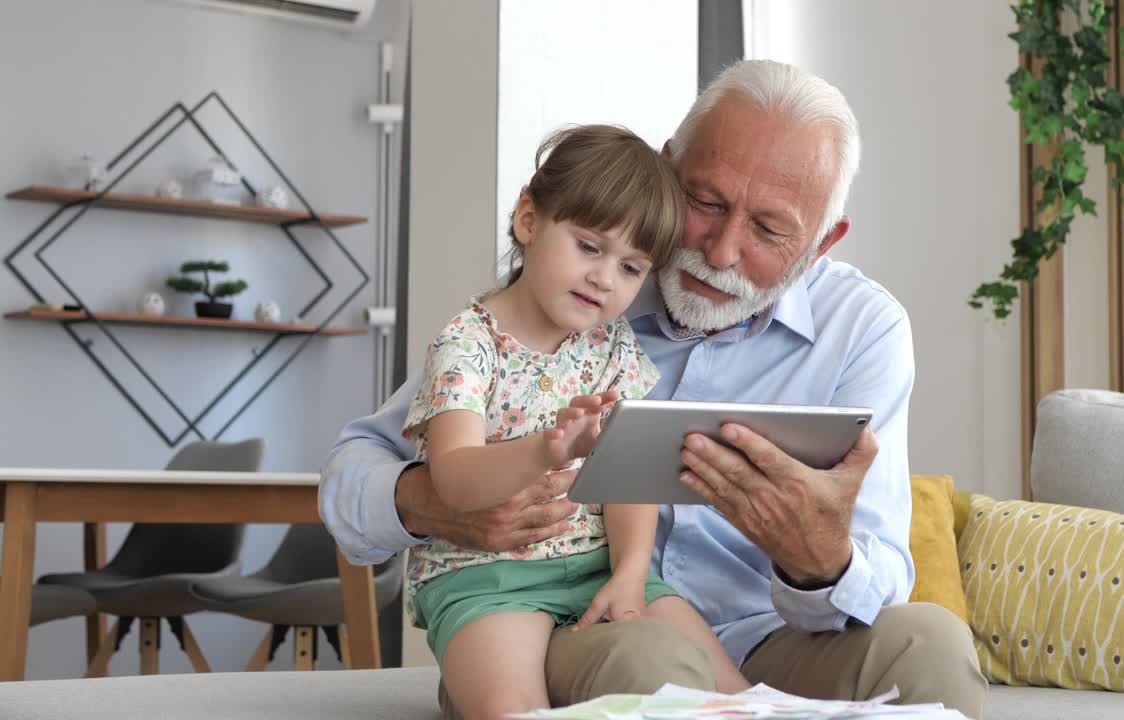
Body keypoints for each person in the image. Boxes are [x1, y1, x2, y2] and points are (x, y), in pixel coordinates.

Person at [322, 60, 987, 720]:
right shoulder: (566, 299)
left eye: (768, 229)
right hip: (568, 625)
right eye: (706, 203)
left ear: (822, 242)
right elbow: (352, 473)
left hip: (767, 633)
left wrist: (817, 554)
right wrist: (434, 500)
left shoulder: (862, 330)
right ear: (669, 168)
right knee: (653, 663)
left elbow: (878, 579)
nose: (721, 251)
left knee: (930, 649)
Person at [394, 124, 749, 720]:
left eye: (632, 268)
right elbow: (453, 480)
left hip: (595, 567)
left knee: (735, 696)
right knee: (512, 710)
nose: (605, 279)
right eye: (590, 247)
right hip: (485, 578)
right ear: (529, 221)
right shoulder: (469, 343)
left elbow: (628, 480)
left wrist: (632, 575)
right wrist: (543, 450)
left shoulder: (613, 350)